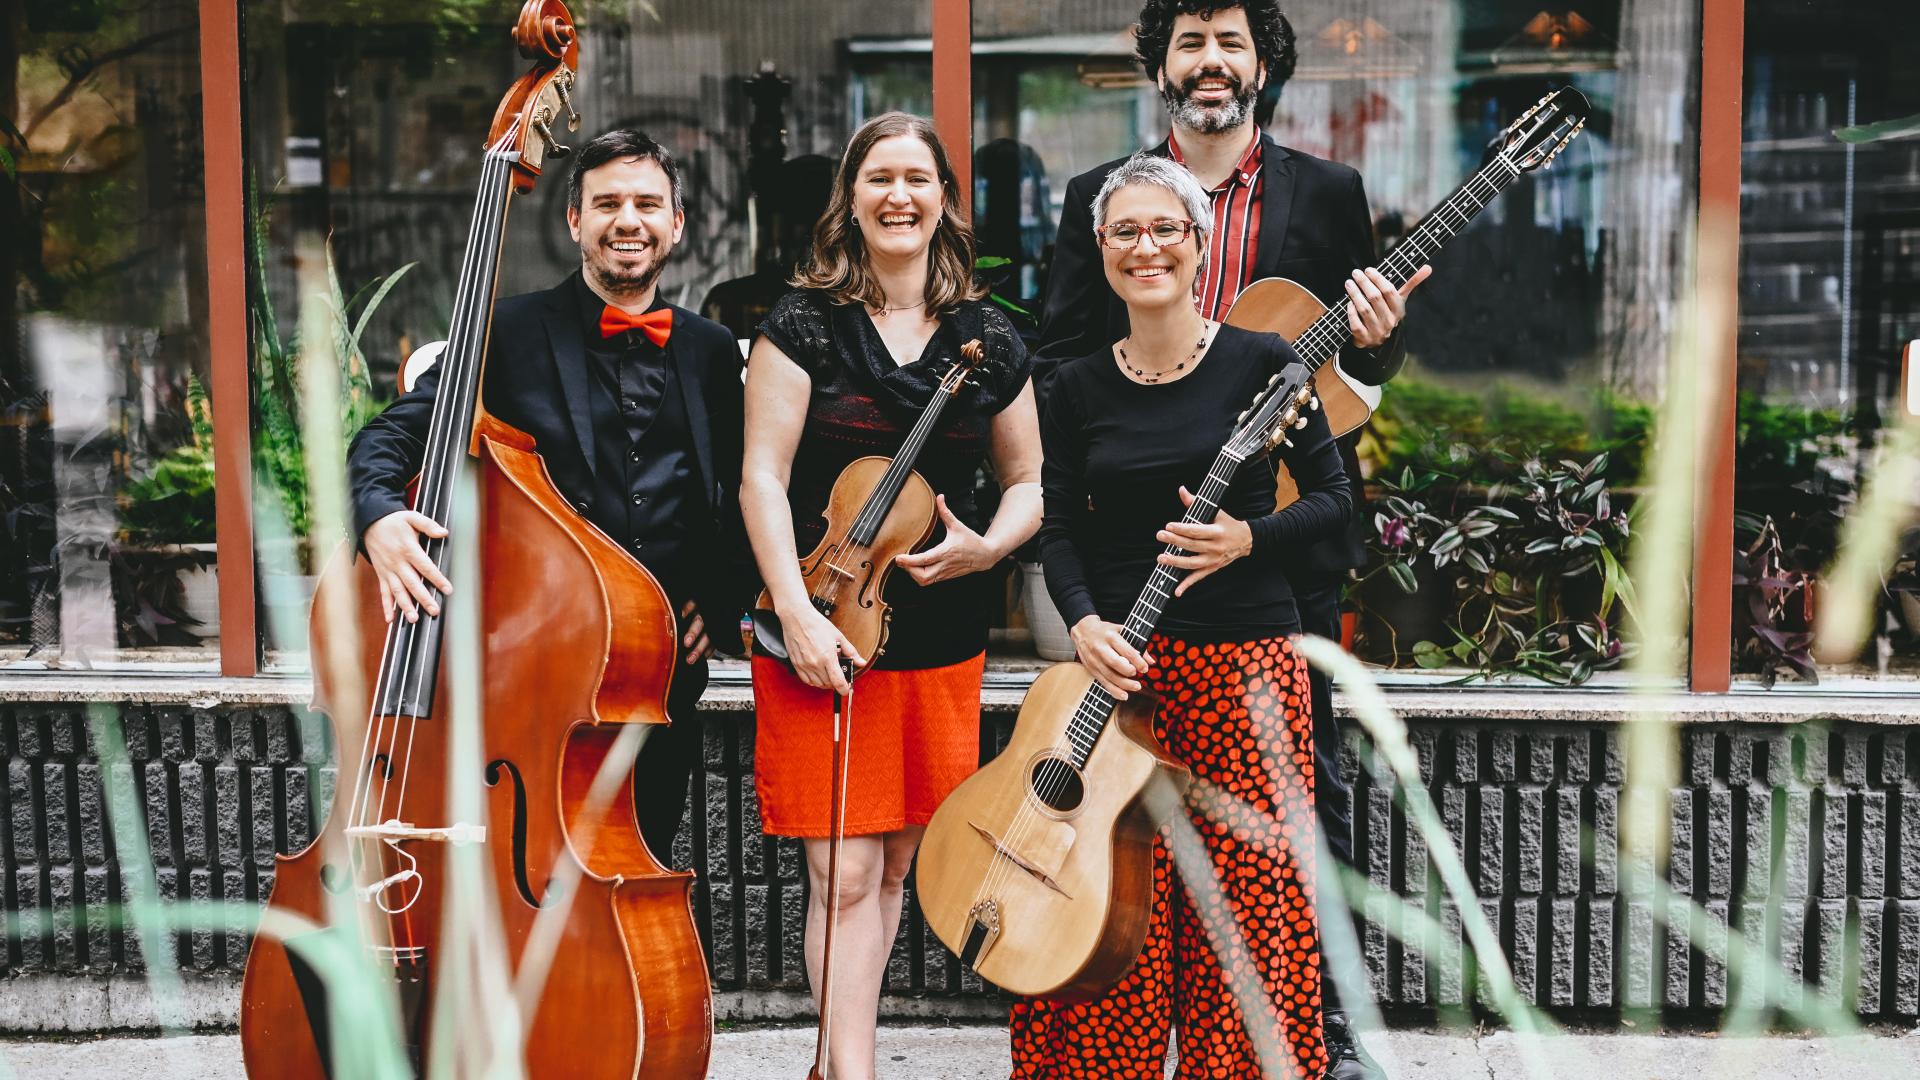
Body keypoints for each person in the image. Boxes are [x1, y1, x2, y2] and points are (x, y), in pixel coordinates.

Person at [1035, 5, 1428, 1074]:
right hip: (1133, 589)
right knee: (1129, 857)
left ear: (1263, 65)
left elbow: (1343, 387)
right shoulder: (1098, 200)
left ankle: (1312, 1032)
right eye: (1192, 43)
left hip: (1264, 579)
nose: (1212, 63)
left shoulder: (1330, 193)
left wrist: (1377, 355)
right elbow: (1065, 367)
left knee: (1292, 829)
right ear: (1161, 65)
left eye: (1231, 44)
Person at [1014, 151, 1349, 1080]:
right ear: (1101, 251)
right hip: (1123, 687)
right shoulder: (1073, 384)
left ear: (1201, 246)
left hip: (1247, 679)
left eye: (1167, 228)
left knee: (1247, 925)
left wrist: (1248, 539)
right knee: (1106, 923)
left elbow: (1334, 502)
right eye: (1125, 230)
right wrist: (1081, 622)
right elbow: (1058, 529)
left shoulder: (1265, 363)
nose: (1146, 246)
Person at [740, 112, 1043, 1080]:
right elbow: (758, 476)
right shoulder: (801, 324)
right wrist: (792, 611)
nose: (899, 196)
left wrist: (986, 547)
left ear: (944, 200)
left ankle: (836, 1062)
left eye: (917, 178)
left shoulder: (989, 338)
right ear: (852, 197)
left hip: (939, 638)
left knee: (899, 868)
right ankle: (855, 1071)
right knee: (844, 872)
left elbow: (1029, 481)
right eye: (879, 178)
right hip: (817, 625)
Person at [347, 129, 748, 861]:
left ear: (677, 223)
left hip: (658, 678)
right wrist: (377, 515)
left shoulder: (710, 349)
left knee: (644, 863)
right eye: (608, 204)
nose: (628, 220)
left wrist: (712, 605)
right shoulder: (506, 330)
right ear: (575, 222)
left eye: (647, 203)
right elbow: (394, 434)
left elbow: (737, 488)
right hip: (540, 671)